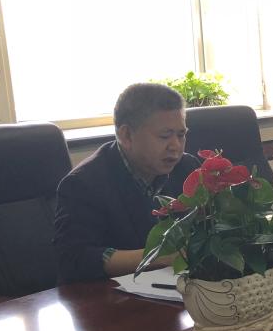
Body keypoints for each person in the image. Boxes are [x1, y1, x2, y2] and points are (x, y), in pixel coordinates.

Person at [53, 83, 200, 283]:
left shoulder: (187, 167)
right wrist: (160, 256)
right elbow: (76, 259)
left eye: (181, 135)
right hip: (109, 296)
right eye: (165, 136)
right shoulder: (84, 184)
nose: (175, 146)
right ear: (127, 136)